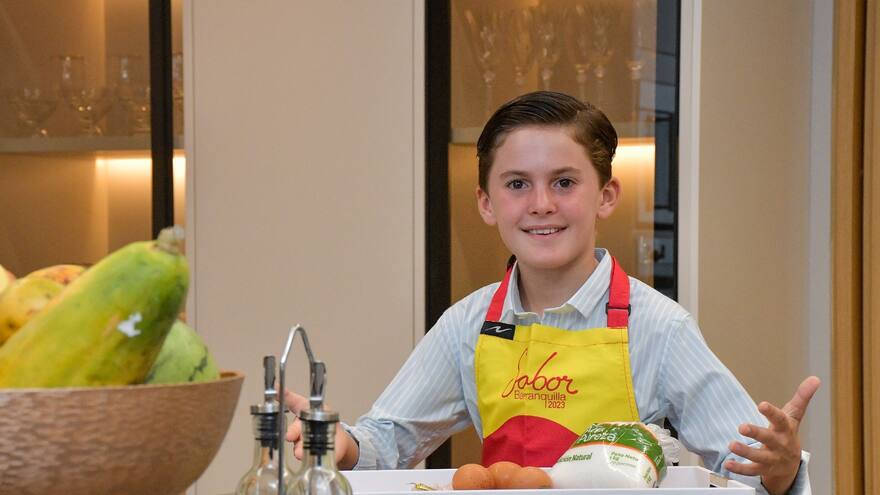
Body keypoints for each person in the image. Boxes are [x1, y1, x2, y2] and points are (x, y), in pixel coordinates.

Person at [286, 91, 819, 494]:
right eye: (517, 184)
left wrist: (782, 465)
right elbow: (390, 442)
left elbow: (748, 466)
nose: (541, 203)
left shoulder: (658, 326)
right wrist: (347, 446)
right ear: (487, 203)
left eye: (564, 182)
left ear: (606, 195)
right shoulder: (466, 325)